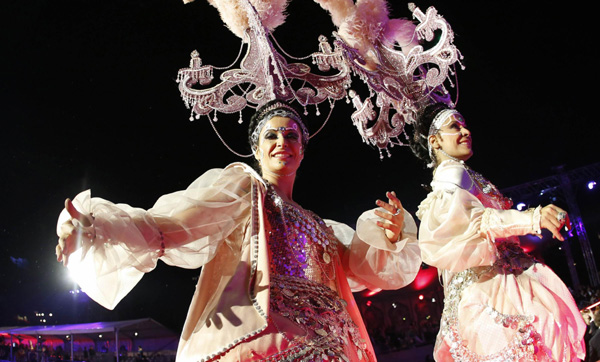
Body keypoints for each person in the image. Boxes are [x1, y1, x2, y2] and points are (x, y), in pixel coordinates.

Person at [56, 100, 422, 362]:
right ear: (256, 149)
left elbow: (364, 268)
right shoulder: (246, 193)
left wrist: (390, 237)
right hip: (268, 338)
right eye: (272, 136)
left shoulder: (323, 228)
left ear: (303, 151)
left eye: (292, 136)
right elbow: (172, 228)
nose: (283, 143)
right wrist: (95, 229)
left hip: (337, 343)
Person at [405, 102, 586, 361]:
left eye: (464, 124)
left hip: (500, 278)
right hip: (494, 287)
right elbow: (478, 222)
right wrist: (534, 218)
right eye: (455, 126)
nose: (466, 131)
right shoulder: (451, 172)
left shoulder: (462, 172)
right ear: (435, 141)